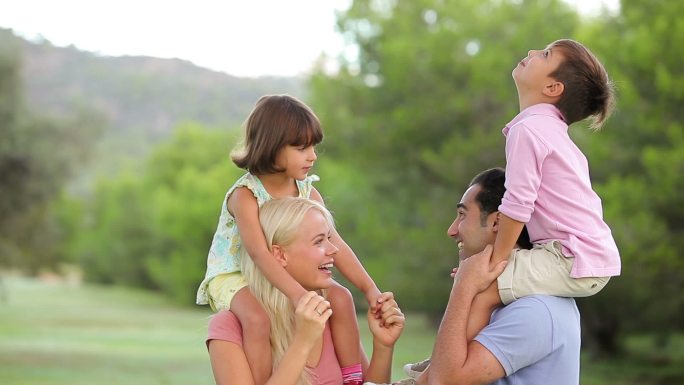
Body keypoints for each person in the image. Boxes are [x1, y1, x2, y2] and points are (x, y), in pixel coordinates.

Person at [406, 38, 622, 379]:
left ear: (553, 87)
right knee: (480, 280)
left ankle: (436, 372)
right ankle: (440, 363)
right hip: (583, 257)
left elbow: (518, 204)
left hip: (571, 258)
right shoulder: (551, 132)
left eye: (546, 54)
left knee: (483, 286)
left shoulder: (529, 129)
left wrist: (495, 261)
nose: (534, 52)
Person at [196, 95, 382, 385]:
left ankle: (353, 378)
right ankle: (263, 379)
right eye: (301, 147)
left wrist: (370, 289)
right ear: (271, 146)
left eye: (313, 147)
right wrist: (298, 295)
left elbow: (338, 246)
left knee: (342, 298)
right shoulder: (245, 195)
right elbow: (258, 253)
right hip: (235, 274)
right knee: (257, 320)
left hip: (279, 273)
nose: (312, 156)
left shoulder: (307, 192)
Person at [390, 168, 580, 385]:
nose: (451, 230)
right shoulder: (506, 301)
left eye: (462, 214)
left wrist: (463, 288)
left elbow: (442, 381)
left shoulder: (537, 310)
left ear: (497, 222)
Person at [207, 197, 405, 385]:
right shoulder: (230, 327)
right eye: (319, 241)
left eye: (329, 238)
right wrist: (303, 341)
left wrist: (383, 347)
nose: (333, 249)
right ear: (280, 255)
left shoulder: (333, 309)